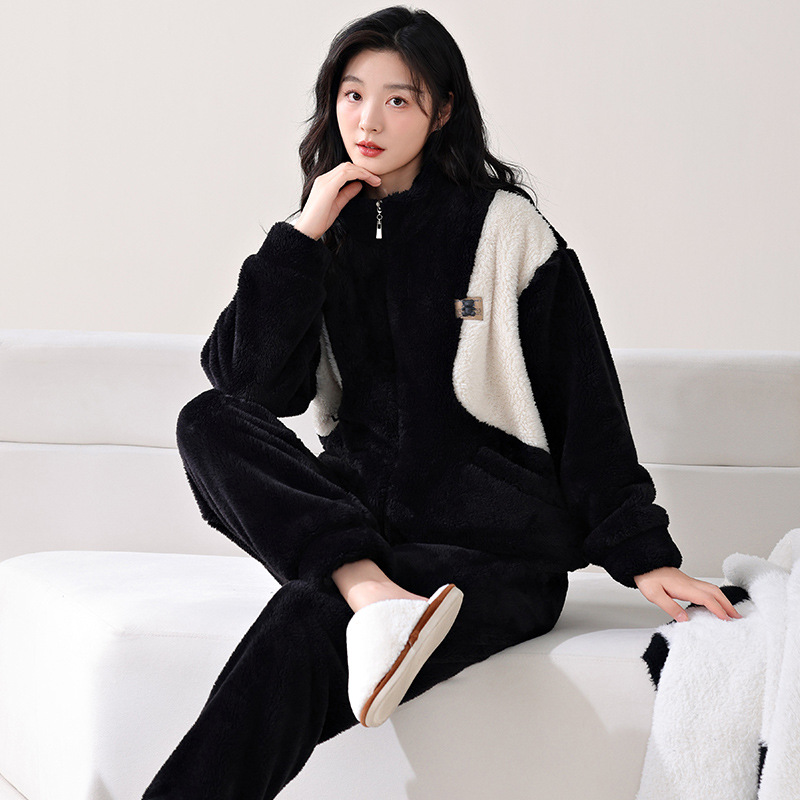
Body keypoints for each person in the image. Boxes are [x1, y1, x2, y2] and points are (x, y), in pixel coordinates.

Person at [141, 6, 742, 799]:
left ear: (443, 109)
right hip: (370, 537)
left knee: (301, 621)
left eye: (399, 99)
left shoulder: (505, 227)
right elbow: (250, 386)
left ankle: (366, 595)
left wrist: (643, 555)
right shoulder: (324, 234)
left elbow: (584, 398)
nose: (369, 120)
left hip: (497, 556)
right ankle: (373, 594)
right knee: (206, 419)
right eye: (353, 95)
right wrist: (303, 234)